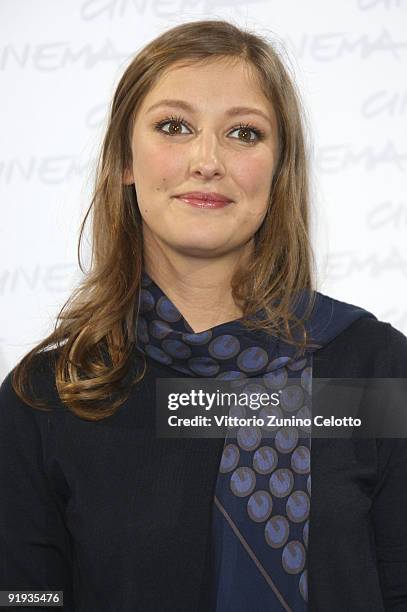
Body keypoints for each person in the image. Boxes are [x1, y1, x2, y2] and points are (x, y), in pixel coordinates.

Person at [1, 19, 406, 612]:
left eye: (244, 133)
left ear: (278, 169)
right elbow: (23, 600)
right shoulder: (48, 396)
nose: (207, 160)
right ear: (124, 160)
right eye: (174, 126)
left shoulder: (375, 371)